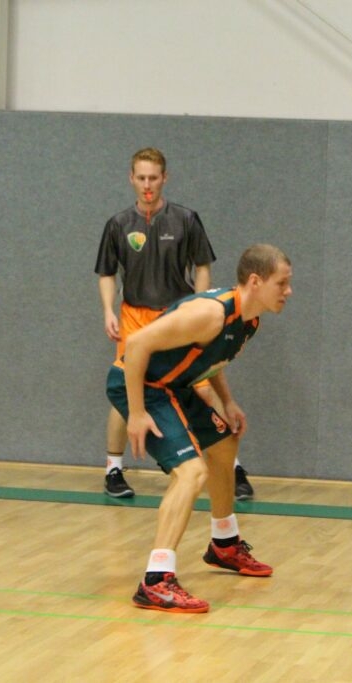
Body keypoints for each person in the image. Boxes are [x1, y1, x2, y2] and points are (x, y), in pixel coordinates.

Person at [106, 244, 292, 613]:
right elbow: (137, 344)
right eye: (282, 283)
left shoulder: (249, 319)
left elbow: (212, 357)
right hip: (143, 386)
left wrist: (228, 401)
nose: (288, 291)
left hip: (175, 386)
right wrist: (137, 413)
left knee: (224, 444)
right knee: (191, 472)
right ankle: (156, 580)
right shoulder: (210, 313)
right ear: (256, 282)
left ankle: (224, 544)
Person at [95, 147, 255, 501]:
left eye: (153, 178)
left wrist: (200, 304)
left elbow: (202, 265)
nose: (147, 184)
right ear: (131, 179)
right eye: (141, 178)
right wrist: (108, 310)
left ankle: (231, 466)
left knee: (202, 386)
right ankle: (113, 469)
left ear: (164, 178)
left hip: (176, 315)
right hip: (135, 316)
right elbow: (106, 273)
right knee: (128, 386)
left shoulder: (185, 219)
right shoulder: (118, 224)